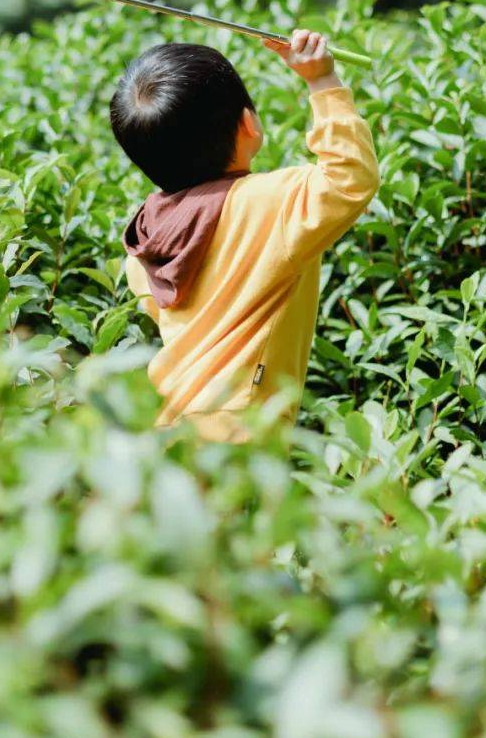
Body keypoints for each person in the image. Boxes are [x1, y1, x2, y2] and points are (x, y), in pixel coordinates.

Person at [109, 29, 379, 441]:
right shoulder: (271, 205)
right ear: (248, 123)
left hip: (168, 429)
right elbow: (348, 178)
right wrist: (322, 81)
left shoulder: (142, 240)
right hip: (240, 434)